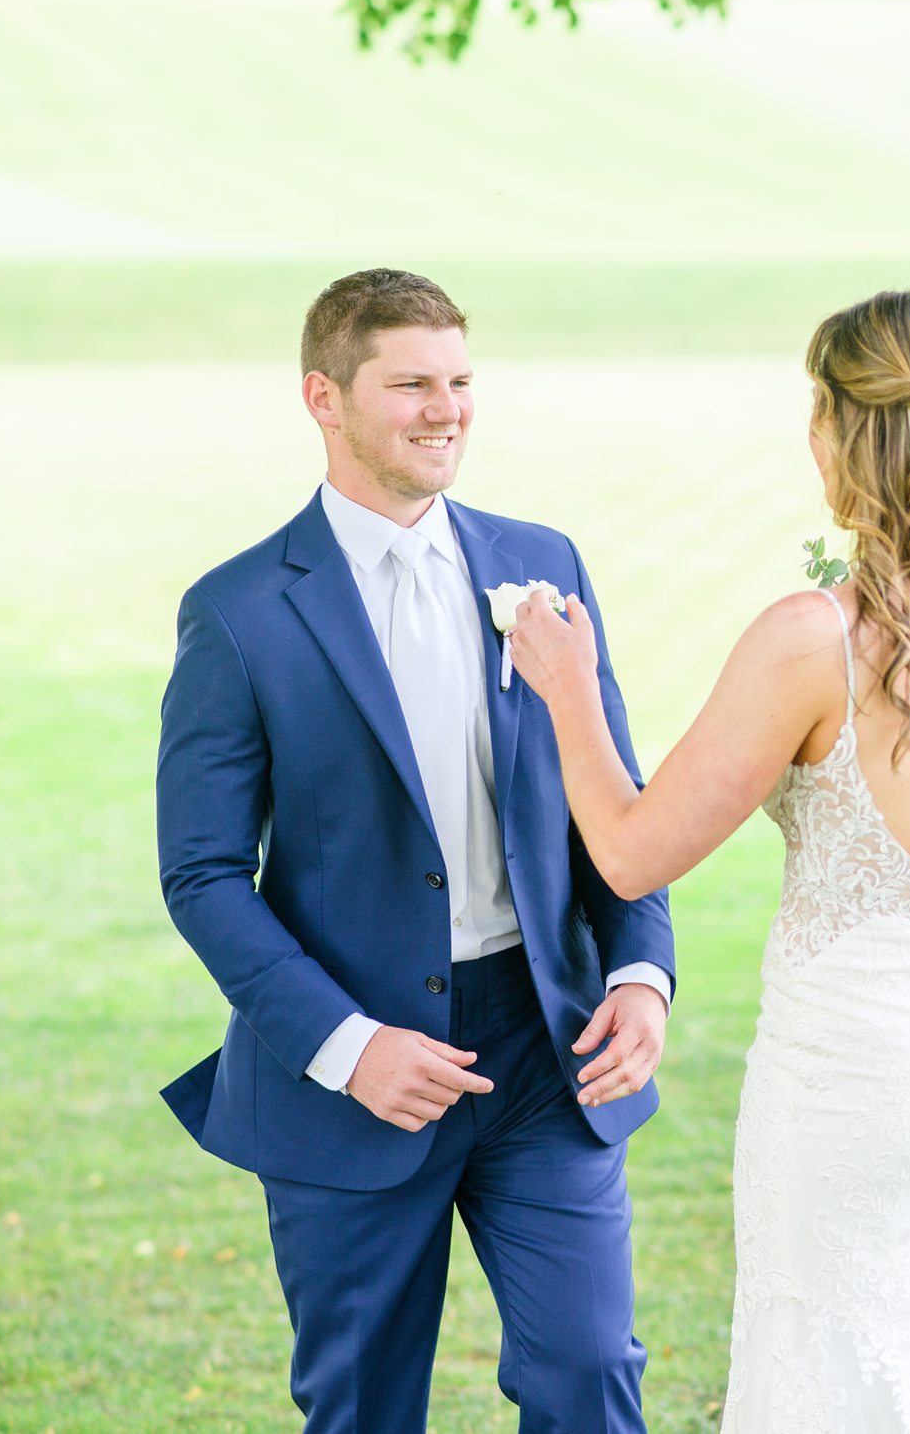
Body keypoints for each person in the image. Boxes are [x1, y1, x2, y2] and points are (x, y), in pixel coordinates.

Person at [508, 287, 910, 1430]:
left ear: (850, 435)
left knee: (836, 1361)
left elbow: (632, 853)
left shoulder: (813, 640)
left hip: (858, 1075)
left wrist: (572, 697)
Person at [154, 268, 674, 1434]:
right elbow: (199, 873)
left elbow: (618, 799)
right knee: (362, 1408)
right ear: (323, 398)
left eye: (461, 381)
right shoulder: (238, 612)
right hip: (357, 1067)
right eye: (411, 385)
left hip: (549, 1046)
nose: (447, 410)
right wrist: (348, 1046)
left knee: (589, 1372)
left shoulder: (544, 563)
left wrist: (642, 976)